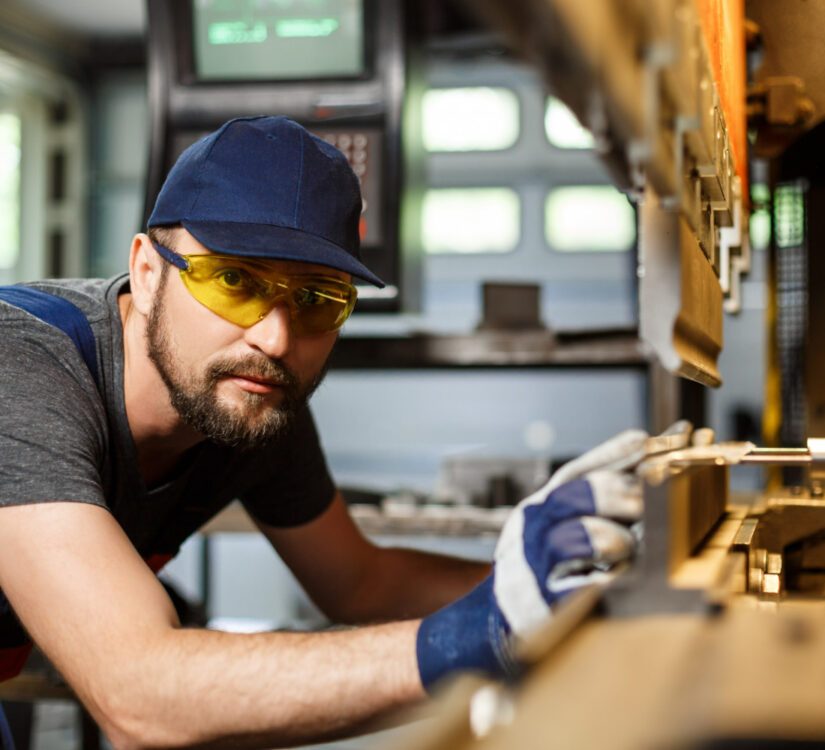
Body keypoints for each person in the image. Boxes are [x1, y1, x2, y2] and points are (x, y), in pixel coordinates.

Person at [0, 116, 644, 749]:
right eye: (233, 281)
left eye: (316, 299)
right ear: (146, 272)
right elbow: (142, 696)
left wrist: (568, 583)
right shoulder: (20, 366)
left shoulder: (251, 400)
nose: (275, 338)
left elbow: (361, 582)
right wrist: (479, 636)